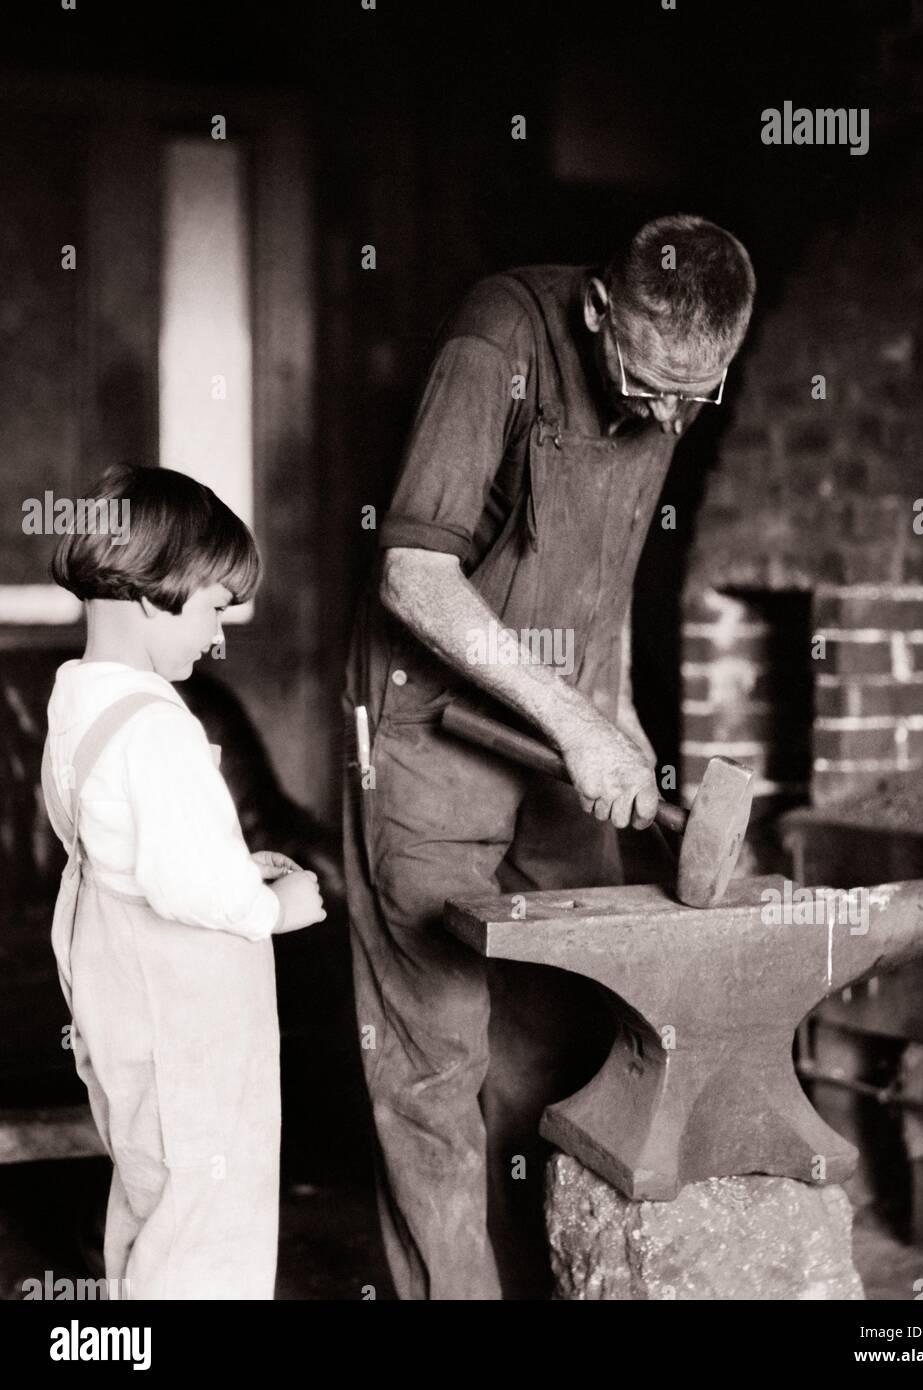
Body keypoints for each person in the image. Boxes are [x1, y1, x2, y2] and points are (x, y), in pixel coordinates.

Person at [343, 214, 756, 1299]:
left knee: (556, 1044)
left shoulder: (669, 389)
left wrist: (617, 725)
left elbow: (602, 586)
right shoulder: (496, 342)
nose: (671, 412)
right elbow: (412, 576)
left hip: (553, 745)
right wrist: (574, 723)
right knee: (435, 1069)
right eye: (655, 382)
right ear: (596, 312)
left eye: (698, 392)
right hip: (428, 736)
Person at [41, 463, 326, 1299]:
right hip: (187, 1027)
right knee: (211, 1223)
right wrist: (268, 904)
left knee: (148, 1195)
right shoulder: (158, 728)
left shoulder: (80, 696)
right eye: (213, 608)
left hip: (123, 1004)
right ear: (151, 590)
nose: (220, 638)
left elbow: (130, 848)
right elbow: (184, 884)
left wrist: (230, 865)